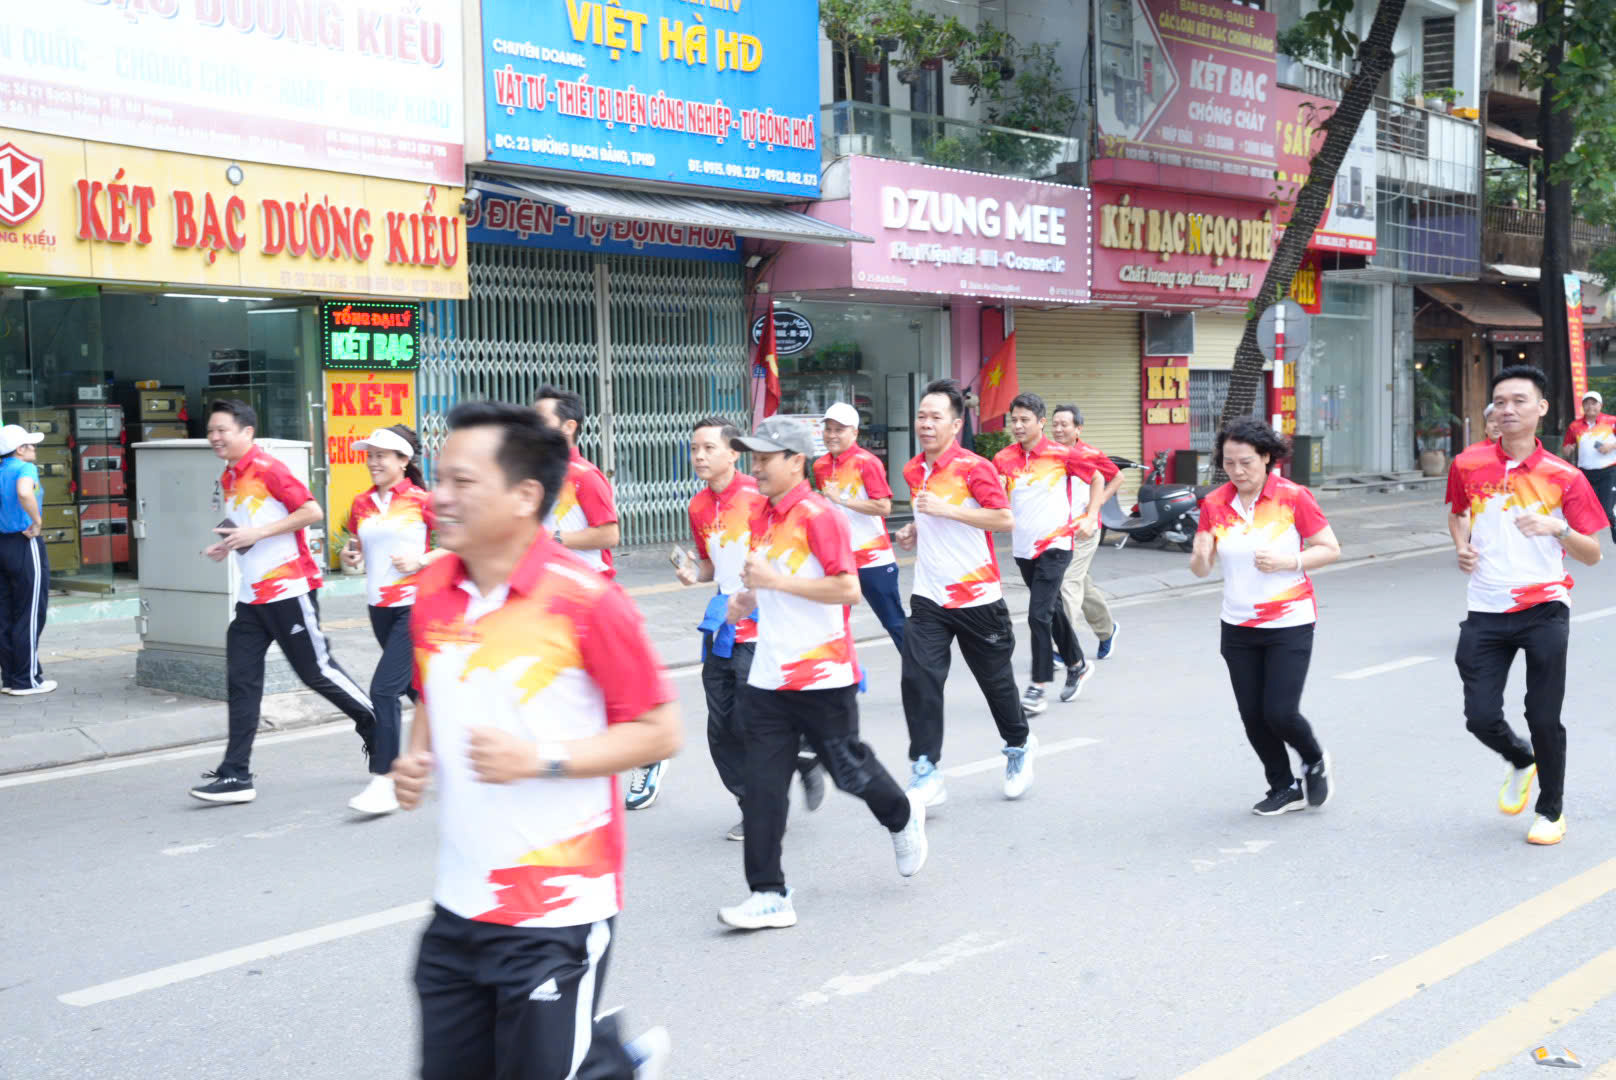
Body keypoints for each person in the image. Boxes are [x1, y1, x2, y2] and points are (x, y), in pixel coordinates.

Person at [390, 402, 676, 1079]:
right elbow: (433, 684)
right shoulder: (434, 590)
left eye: (462, 481)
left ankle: (607, 1063)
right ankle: (609, 1062)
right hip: (459, 906)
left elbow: (660, 731)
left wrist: (539, 760)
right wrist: (416, 753)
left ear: (524, 496)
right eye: (439, 478)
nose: (440, 496)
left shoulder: (587, 601)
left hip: (557, 911)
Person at [716, 416, 926, 930]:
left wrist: (774, 583)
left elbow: (847, 589)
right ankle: (769, 893)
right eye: (753, 458)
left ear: (796, 462)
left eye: (766, 458)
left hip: (822, 676)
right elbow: (769, 578)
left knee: (848, 771)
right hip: (769, 676)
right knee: (763, 787)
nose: (756, 467)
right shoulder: (760, 515)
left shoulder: (820, 515)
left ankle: (901, 815)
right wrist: (747, 599)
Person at [190, 399, 376, 805]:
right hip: (252, 597)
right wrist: (227, 543)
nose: (214, 437)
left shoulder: (269, 468)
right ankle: (236, 774)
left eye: (222, 430)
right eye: (210, 431)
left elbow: (311, 511)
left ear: (247, 432)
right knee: (241, 681)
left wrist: (256, 535)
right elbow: (247, 522)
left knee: (316, 671)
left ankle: (379, 724)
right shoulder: (229, 475)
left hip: (289, 590)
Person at [1448, 365, 1604, 846]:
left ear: (1542, 408)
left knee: (1543, 716)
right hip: (1486, 608)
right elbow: (1458, 513)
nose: (1507, 409)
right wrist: (1461, 545)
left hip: (1544, 608)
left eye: (1519, 400)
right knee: (1479, 716)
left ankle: (1550, 811)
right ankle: (1520, 759)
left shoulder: (1565, 476)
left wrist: (1557, 528)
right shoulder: (1467, 464)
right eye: (1500, 401)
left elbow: (1593, 554)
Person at [677, 417, 825, 842]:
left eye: (708, 448)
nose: (699, 456)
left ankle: (769, 800)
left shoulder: (759, 498)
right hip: (723, 625)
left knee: (753, 722)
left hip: (763, 627)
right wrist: (694, 573)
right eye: (694, 448)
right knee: (721, 728)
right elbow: (712, 566)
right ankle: (783, 770)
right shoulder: (698, 506)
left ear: (733, 453)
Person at [895, 378, 1036, 808]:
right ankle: (926, 769)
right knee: (919, 678)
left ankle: (1018, 746)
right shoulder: (913, 469)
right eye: (921, 416)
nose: (925, 424)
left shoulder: (975, 467)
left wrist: (948, 510)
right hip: (929, 595)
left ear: (956, 424)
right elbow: (934, 519)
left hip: (977, 599)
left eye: (935, 417)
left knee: (996, 683)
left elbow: (1003, 519)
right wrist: (914, 529)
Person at [1190, 418, 1341, 816]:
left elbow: (1329, 548)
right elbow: (1201, 569)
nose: (1237, 471)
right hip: (1237, 625)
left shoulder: (1293, 497)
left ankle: (1314, 758)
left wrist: (1289, 561)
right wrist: (1200, 554)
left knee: (1280, 712)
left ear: (1267, 458)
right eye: (1229, 462)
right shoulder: (1214, 503)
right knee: (1253, 717)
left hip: (1289, 622)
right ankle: (1283, 786)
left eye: (1246, 462)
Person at [534, 384, 666, 813]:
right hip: (549, 597)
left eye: (542, 419)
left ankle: (646, 754)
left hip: (591, 599)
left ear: (568, 427)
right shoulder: (536, 474)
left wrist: (555, 539)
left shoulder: (586, 477)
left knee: (605, 690)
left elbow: (610, 534)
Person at [340, 425, 446, 816]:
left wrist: (421, 560)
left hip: (416, 606)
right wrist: (351, 555)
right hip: (379, 608)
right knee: (415, 690)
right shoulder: (361, 503)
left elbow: (460, 542)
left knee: (384, 690)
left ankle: (385, 780)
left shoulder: (423, 500)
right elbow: (358, 546)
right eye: (369, 455)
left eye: (381, 455)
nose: (373, 462)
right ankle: (463, 752)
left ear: (403, 460)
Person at [992, 393, 1104, 713]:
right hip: (1023, 547)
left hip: (1056, 545)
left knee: (1037, 615)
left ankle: (1038, 686)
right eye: (1014, 420)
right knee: (1052, 610)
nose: (1018, 425)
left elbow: (1097, 477)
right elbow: (998, 496)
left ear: (1040, 422)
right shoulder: (1003, 458)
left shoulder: (1061, 454)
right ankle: (1077, 664)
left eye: (1025, 420)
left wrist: (1091, 516)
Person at [813, 402, 907, 651]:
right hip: (838, 559)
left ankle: (920, 672)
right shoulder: (820, 466)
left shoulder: (867, 463)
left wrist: (842, 499)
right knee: (833, 626)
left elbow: (884, 507)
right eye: (828, 429)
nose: (832, 435)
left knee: (894, 622)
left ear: (854, 432)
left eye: (839, 429)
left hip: (872, 559)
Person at [1049, 404, 1123, 659]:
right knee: (1082, 584)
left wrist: (1098, 503)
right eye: (1055, 424)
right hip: (1056, 530)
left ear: (1078, 428)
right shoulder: (1048, 454)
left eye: (1064, 424)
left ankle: (1061, 647)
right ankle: (1107, 630)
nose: (1058, 429)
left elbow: (1117, 477)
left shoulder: (1090, 453)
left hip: (1084, 530)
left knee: (1068, 582)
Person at [0, 424, 52, 696]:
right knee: (30, 612)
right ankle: (26, 680)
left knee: (5, 613)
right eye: (31, 444)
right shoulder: (25, 468)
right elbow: (24, 492)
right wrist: (37, 521)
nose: (34, 448)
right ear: (20, 449)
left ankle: (10, 678)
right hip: (23, 541)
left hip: (1, 543)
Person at [1559, 390, 1616, 538]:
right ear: (1583, 406)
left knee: (1606, 511)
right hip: (1585, 474)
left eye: (1594, 403)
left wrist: (1611, 446)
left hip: (1608, 472)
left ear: (1600, 405)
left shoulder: (1611, 421)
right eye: (1587, 403)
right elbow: (1566, 447)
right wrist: (1568, 449)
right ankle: (1585, 540)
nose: (1590, 406)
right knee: (1584, 509)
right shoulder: (1575, 426)